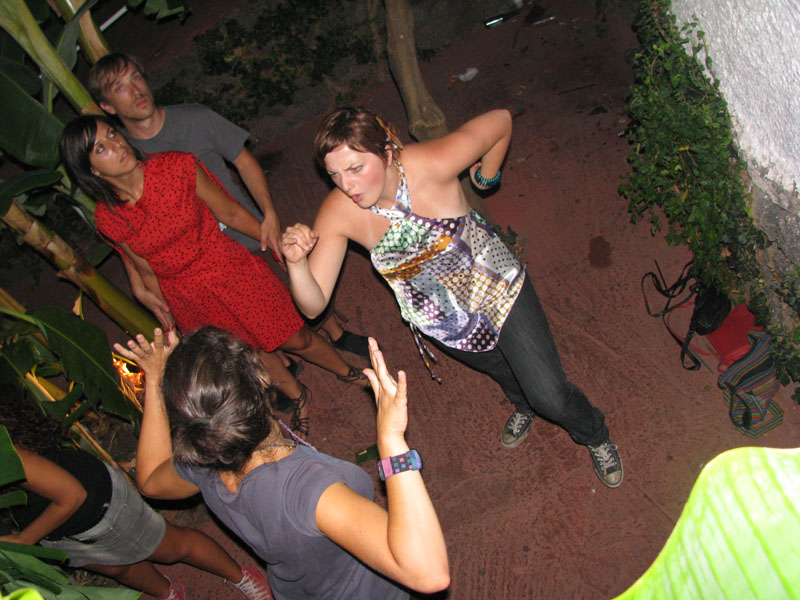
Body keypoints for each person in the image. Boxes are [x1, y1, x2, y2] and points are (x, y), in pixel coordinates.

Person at [280, 106, 624, 487]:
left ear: (387, 151)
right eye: (334, 174)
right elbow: (314, 305)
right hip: (445, 322)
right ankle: (522, 403)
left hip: (498, 287)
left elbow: (501, 121)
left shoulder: (432, 163)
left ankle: (595, 433)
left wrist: (487, 177)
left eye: (356, 168)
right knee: (503, 371)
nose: (347, 185)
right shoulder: (339, 211)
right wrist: (297, 264)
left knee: (550, 396)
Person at [59, 114, 366, 438]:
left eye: (112, 134)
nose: (117, 144)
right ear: (92, 171)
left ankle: (348, 372)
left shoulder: (176, 167)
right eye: (101, 148)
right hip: (187, 297)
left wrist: (274, 242)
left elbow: (230, 212)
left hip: (228, 269)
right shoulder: (108, 217)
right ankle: (298, 394)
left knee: (294, 337)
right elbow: (144, 267)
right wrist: (164, 313)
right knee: (248, 353)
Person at [113, 327, 450, 599]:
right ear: (262, 378)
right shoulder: (307, 490)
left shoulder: (206, 458)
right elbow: (428, 574)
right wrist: (392, 442)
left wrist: (155, 380)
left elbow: (151, 480)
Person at [87, 52, 371, 361]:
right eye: (120, 88)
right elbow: (128, 231)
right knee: (247, 328)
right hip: (197, 265)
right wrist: (137, 282)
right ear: (107, 106)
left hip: (244, 227)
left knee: (295, 283)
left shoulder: (193, 118)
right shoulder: (119, 152)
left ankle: (335, 332)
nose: (136, 91)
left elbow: (244, 161)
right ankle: (282, 364)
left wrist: (269, 214)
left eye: (136, 77)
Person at [0, 385, 272, 600]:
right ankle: (168, 593)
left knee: (173, 547)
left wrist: (25, 539)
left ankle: (240, 576)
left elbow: (73, 495)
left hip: (96, 507)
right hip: (59, 529)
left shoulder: (11, 454)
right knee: (119, 568)